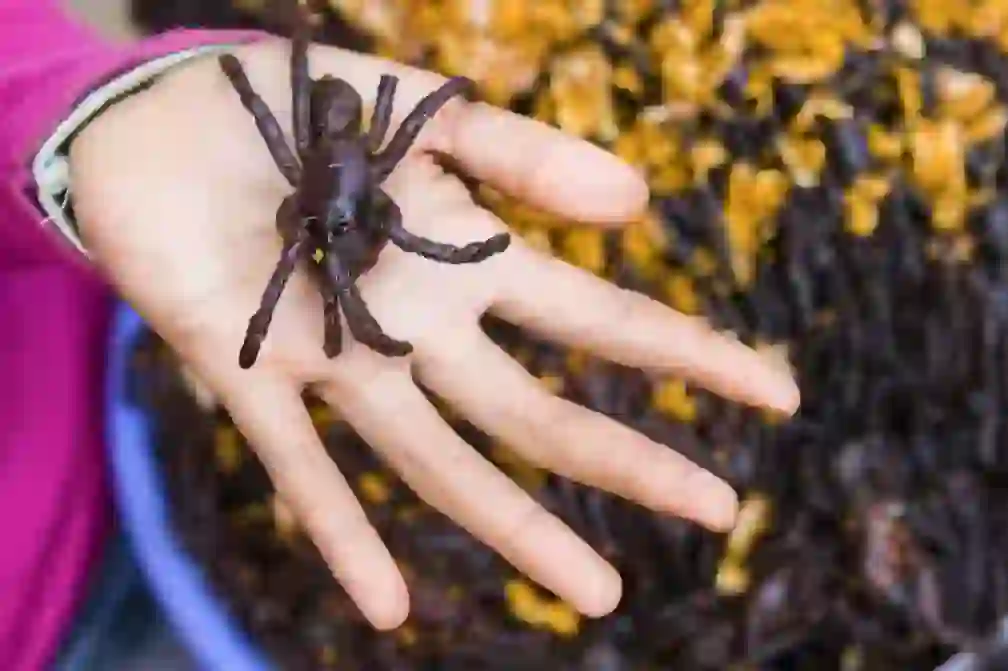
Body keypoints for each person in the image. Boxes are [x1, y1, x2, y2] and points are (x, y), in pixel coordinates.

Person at [0, 2, 800, 668]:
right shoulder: (320, 227)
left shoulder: (339, 172)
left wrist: (96, 120)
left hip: (75, 400)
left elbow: (366, 167)